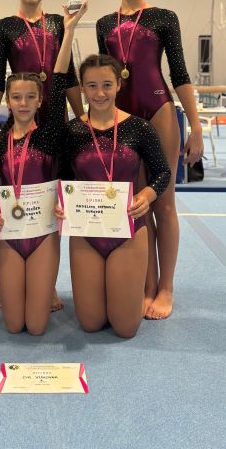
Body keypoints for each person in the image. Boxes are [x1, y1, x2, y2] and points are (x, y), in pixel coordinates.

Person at [96, 0, 203, 319]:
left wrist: (196, 125)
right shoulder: (104, 24)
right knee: (137, 204)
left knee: (164, 201)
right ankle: (147, 284)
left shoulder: (163, 17)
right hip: (121, 115)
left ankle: (166, 287)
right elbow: (103, 78)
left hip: (157, 110)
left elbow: (179, 72)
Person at [0, 2, 87, 335]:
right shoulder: (1, 141)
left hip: (42, 231)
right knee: (14, 325)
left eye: (31, 97)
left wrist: (69, 30)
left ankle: (42, 286)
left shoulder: (50, 133)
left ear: (41, 100)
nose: (24, 103)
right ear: (8, 101)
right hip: (10, 233)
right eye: (17, 98)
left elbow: (59, 77)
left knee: (38, 326)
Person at [56, 54, 171, 338]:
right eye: (92, 85)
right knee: (90, 323)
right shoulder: (72, 131)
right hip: (86, 230)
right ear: (82, 88)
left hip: (127, 229)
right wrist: (60, 202)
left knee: (125, 328)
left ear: (119, 84)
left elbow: (163, 173)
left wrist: (147, 195)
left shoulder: (140, 128)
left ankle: (127, 293)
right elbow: (63, 177)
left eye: (107, 84)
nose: (100, 93)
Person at [0, 0, 83, 164]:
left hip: (56, 116)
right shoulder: (4, 26)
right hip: (22, 114)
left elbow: (70, 76)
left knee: (57, 171)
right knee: (22, 171)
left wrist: (82, 120)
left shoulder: (59, 23)